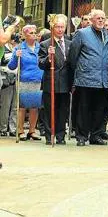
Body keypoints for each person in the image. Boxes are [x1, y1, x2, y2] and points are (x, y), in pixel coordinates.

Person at [68, 9, 108, 146]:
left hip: (103, 79)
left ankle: (95, 135)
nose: (101, 20)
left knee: (100, 109)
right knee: (84, 109)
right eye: (98, 18)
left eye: (103, 18)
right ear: (91, 20)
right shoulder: (82, 34)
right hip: (86, 78)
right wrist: (79, 71)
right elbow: (73, 56)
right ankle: (81, 136)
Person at [38, 15, 73, 145]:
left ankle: (60, 135)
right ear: (52, 28)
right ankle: (49, 135)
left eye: (62, 27)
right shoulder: (45, 44)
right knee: (49, 110)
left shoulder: (70, 43)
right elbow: (41, 64)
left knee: (63, 111)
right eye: (57, 27)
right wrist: (49, 58)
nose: (60, 29)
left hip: (65, 82)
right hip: (50, 82)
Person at [9, 25, 44, 141]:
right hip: (24, 80)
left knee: (35, 106)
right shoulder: (20, 48)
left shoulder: (41, 47)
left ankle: (32, 131)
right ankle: (20, 131)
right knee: (22, 106)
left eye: (35, 32)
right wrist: (15, 56)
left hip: (38, 80)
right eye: (31, 33)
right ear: (24, 35)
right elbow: (11, 66)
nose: (34, 34)